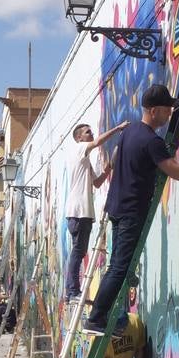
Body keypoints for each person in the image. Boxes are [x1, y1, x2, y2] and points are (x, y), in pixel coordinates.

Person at [83, 84, 179, 334]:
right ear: (155, 110)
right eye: (168, 110)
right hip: (131, 210)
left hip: (116, 206)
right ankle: (97, 319)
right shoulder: (151, 141)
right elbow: (177, 173)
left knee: (118, 265)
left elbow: (118, 158)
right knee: (119, 267)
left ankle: (112, 316)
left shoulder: (129, 133)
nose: (170, 114)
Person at [64, 120, 127, 299]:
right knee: (78, 251)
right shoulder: (79, 149)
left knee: (79, 251)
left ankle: (72, 290)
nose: (91, 133)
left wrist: (110, 166)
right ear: (79, 138)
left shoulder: (84, 161)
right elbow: (97, 142)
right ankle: (72, 291)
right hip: (79, 211)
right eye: (87, 132)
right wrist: (118, 128)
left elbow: (98, 183)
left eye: (91, 131)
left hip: (82, 213)